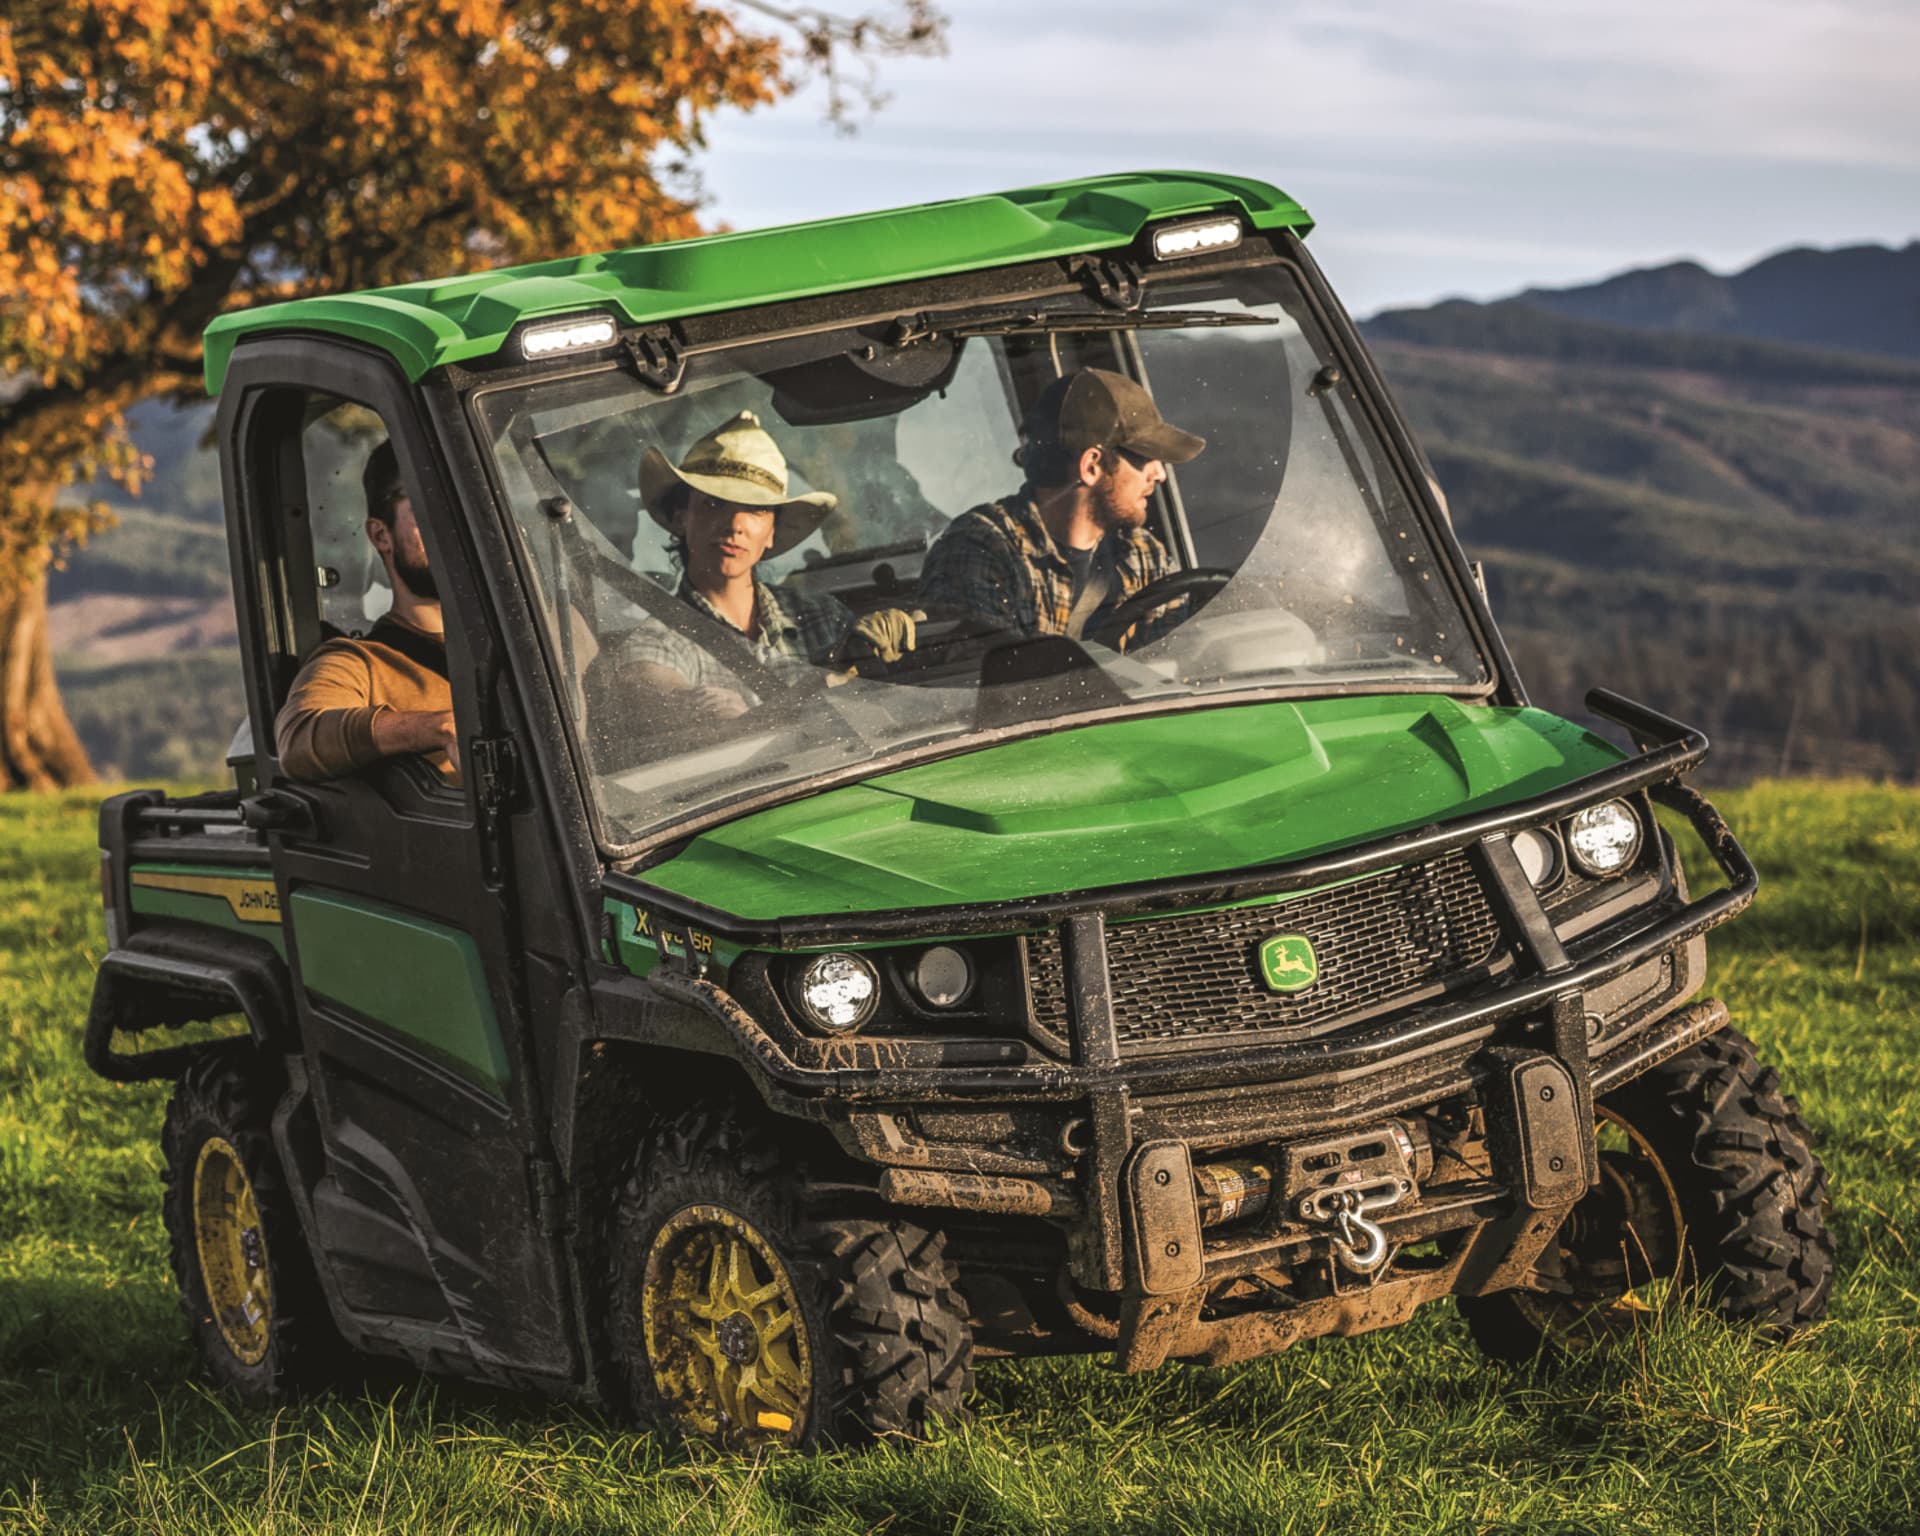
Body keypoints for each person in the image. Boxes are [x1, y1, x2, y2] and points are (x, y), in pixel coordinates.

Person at [612, 409, 917, 717]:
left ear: (772, 532)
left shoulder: (823, 618)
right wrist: (703, 710)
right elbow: (657, 693)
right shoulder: (657, 640)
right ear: (681, 517)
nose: (735, 525)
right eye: (715, 503)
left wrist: (877, 645)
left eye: (756, 509)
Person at [916, 368, 1205, 651]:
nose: (1159, 473)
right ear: (1092, 466)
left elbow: (1179, 660)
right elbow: (996, 688)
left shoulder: (1141, 553)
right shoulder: (980, 550)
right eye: (1144, 457)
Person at [276, 441, 461, 781]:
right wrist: (439, 728)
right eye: (427, 508)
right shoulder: (361, 664)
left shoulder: (554, 635)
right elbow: (298, 738)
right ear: (381, 534)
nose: (450, 528)